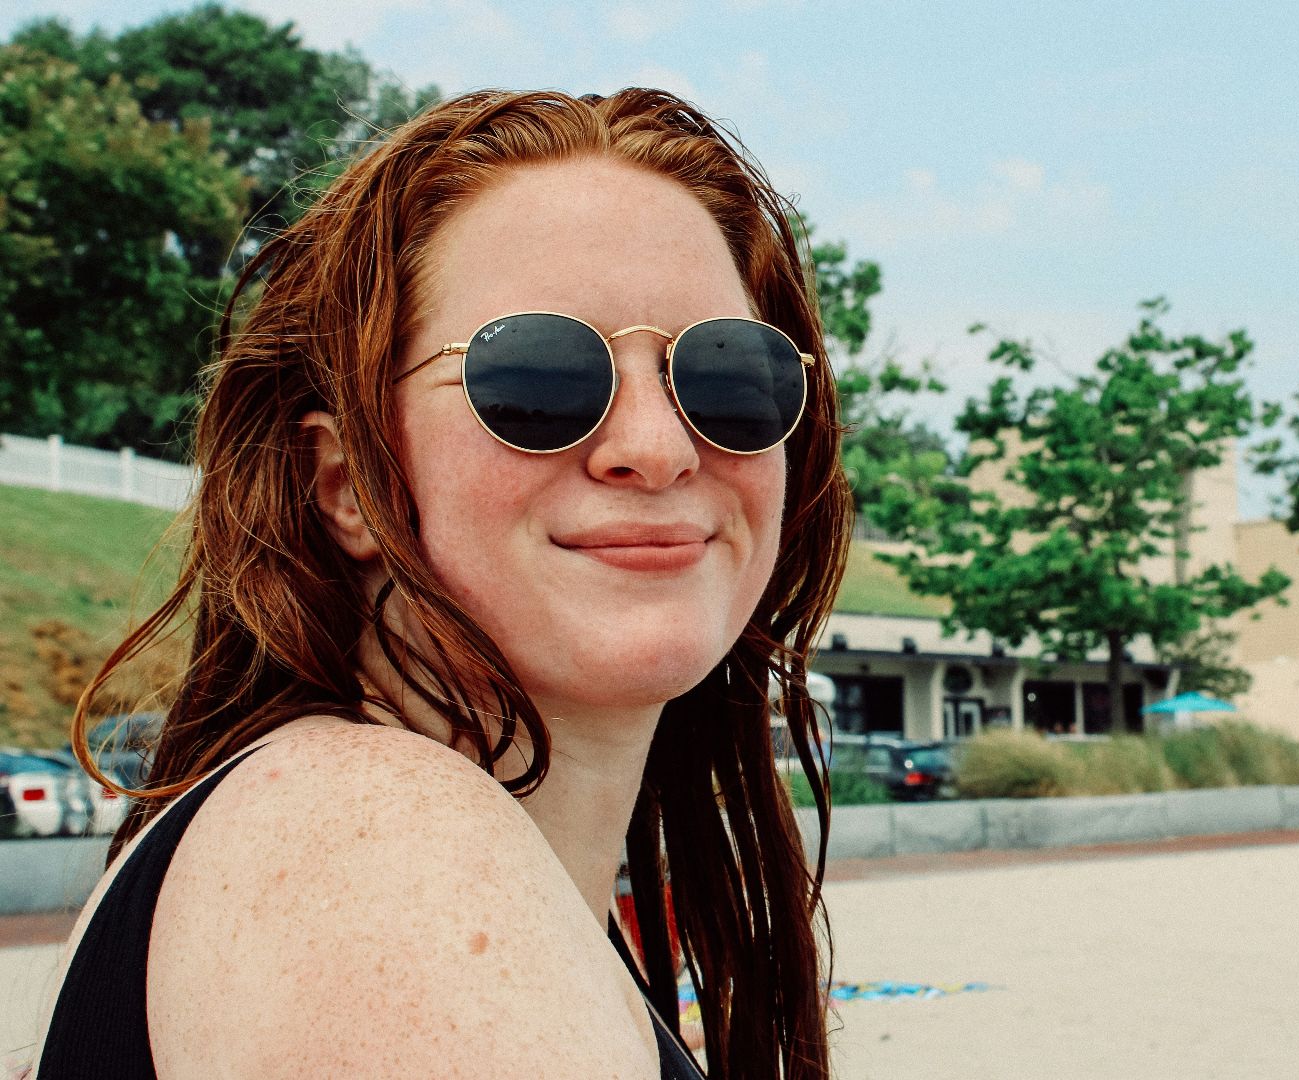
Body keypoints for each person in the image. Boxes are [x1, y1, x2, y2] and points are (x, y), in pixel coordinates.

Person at [24, 88, 849, 1079]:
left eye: (727, 375)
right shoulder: (371, 844)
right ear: (346, 486)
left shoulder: (358, 848)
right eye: (540, 380)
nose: (656, 448)